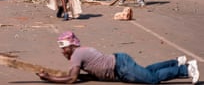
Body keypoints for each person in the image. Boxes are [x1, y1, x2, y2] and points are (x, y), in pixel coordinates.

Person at [36, 31, 200, 84]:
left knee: (152, 79)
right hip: (120, 64)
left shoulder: (77, 55)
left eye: (63, 48)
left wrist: (49, 77)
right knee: (148, 70)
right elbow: (80, 76)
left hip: (121, 67)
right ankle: (177, 61)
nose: (62, 51)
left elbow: (72, 79)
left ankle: (186, 69)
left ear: (71, 46)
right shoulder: (79, 52)